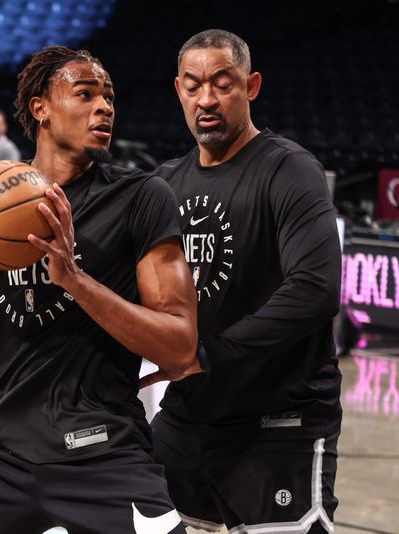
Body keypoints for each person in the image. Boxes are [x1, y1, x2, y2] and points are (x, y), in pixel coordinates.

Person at [0, 45, 199, 534]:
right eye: (85, 94)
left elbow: (178, 348)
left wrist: (74, 278)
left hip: (104, 457)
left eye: (108, 96)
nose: (105, 107)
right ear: (39, 108)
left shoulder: (141, 198)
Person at [150, 30, 342, 533]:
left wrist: (207, 355)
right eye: (193, 86)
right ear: (178, 91)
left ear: (252, 86)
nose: (206, 99)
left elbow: (316, 289)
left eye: (222, 83)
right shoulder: (165, 184)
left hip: (278, 425)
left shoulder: (289, 170)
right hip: (187, 420)